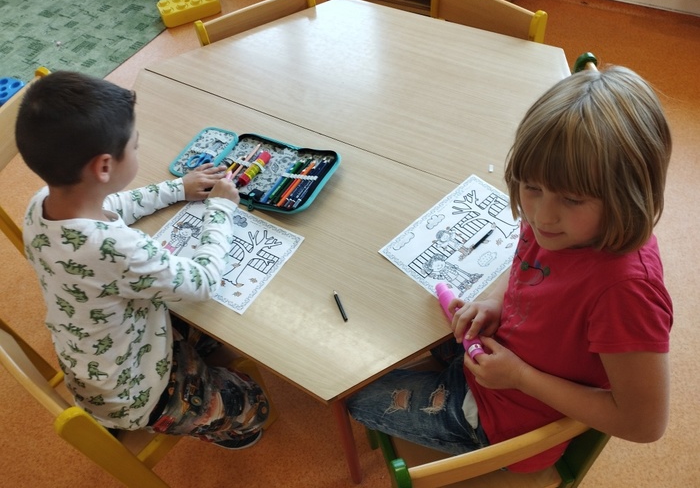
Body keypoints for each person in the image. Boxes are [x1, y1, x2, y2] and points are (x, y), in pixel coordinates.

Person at [347, 65, 673, 472]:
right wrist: (495, 302)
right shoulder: (560, 226)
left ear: (628, 195)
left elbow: (644, 423)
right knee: (393, 322)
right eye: (531, 187)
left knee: (355, 396)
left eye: (572, 199)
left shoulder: (626, 292)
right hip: (500, 359)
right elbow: (528, 263)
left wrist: (520, 377)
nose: (542, 215)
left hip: (509, 422)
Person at [16, 71, 269, 448]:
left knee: (201, 326)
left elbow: (112, 204)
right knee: (253, 405)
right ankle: (210, 426)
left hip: (100, 368)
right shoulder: (114, 248)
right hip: (139, 395)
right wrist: (220, 208)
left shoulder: (42, 202)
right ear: (104, 167)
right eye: (134, 146)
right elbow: (202, 282)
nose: (138, 149)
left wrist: (177, 188)